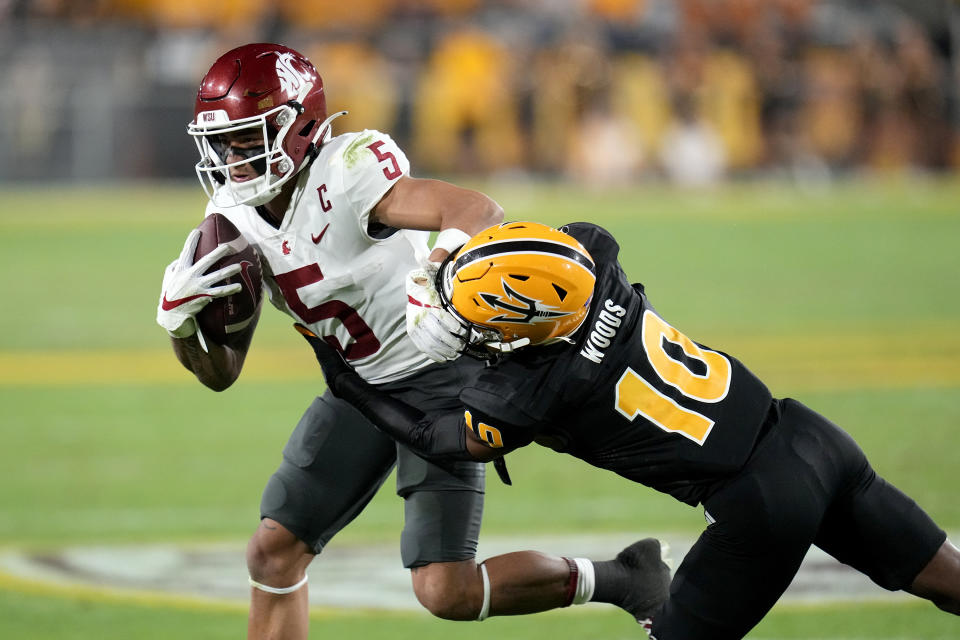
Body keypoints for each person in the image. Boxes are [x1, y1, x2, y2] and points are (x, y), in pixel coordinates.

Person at [155, 44, 670, 639]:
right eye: (224, 143)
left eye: (250, 138)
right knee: (272, 553)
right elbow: (219, 373)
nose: (234, 159)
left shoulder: (347, 171)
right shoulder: (232, 214)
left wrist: (435, 275)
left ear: (298, 127)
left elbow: (476, 208)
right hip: (358, 389)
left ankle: (624, 578)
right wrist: (179, 323)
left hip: (439, 378)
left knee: (445, 590)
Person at [300, 220, 960, 639]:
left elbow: (436, 436)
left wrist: (346, 379)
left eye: (485, 325)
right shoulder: (596, 255)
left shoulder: (535, 394)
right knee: (945, 579)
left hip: (760, 509)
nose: (476, 335)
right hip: (813, 438)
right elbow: (548, 249)